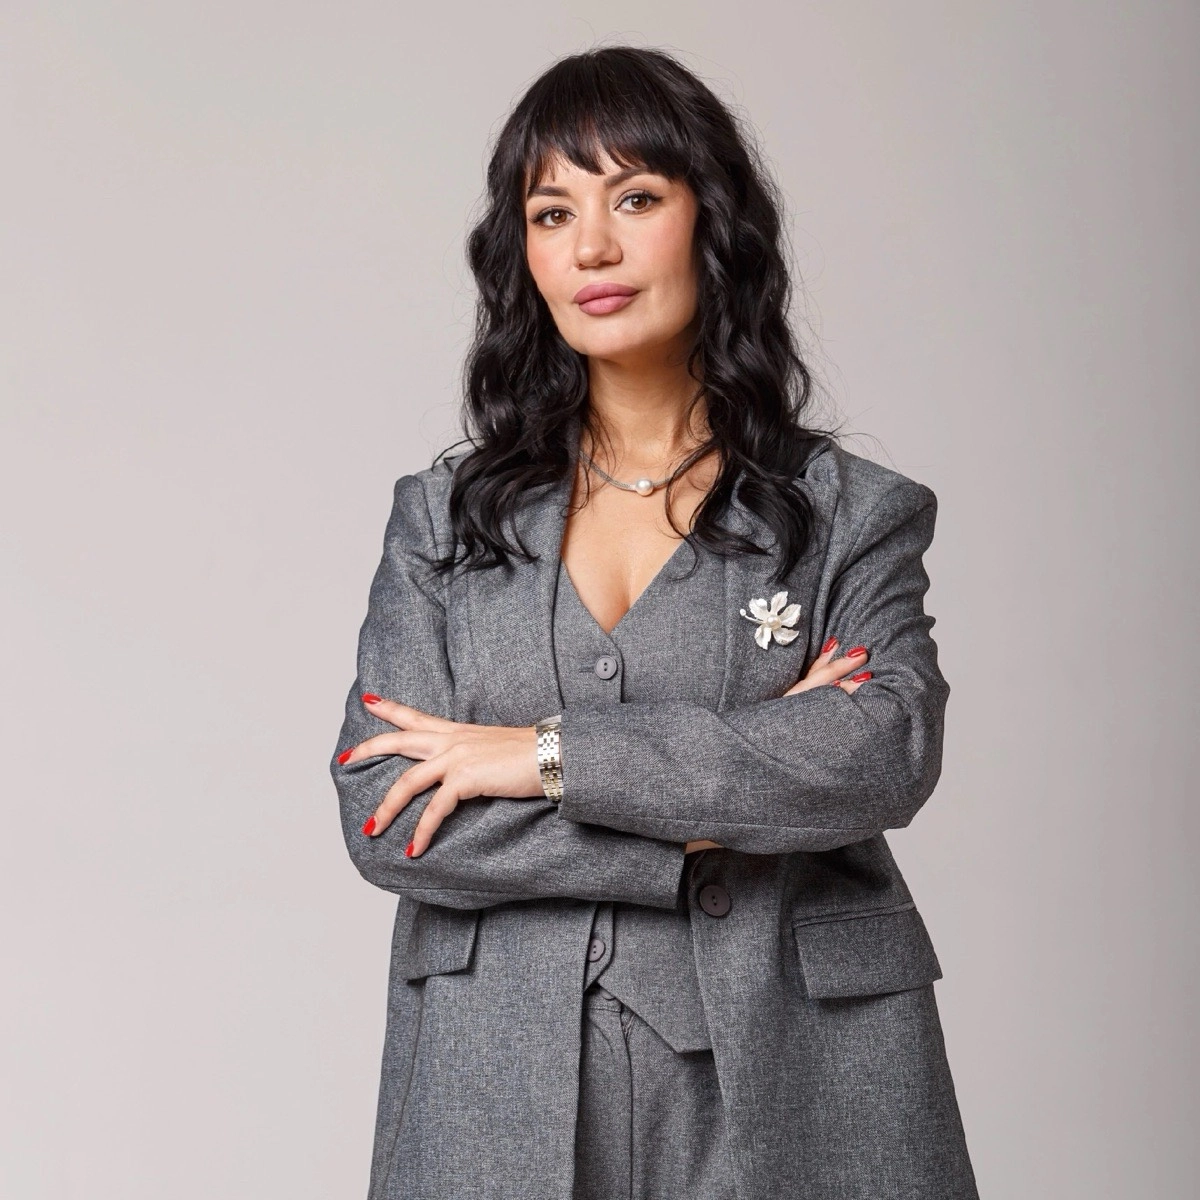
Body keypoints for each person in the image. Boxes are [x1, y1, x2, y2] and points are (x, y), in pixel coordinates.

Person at [331, 45, 978, 1200]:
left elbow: (879, 753)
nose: (592, 248)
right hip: (497, 1067)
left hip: (797, 1063)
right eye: (552, 213)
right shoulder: (440, 523)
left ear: (710, 220)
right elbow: (387, 813)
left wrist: (542, 759)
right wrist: (715, 815)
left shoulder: (850, 516)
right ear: (523, 253)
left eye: (634, 198)